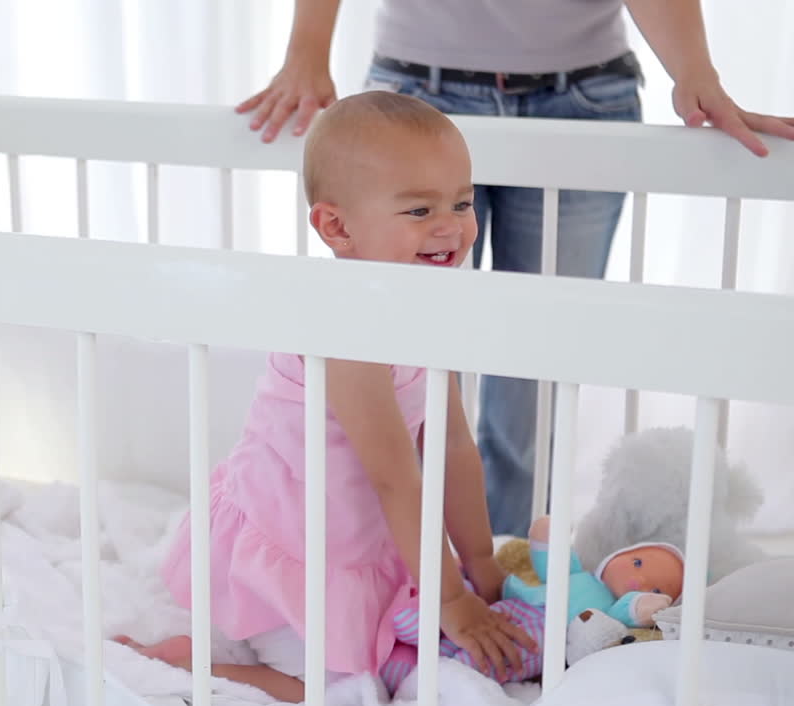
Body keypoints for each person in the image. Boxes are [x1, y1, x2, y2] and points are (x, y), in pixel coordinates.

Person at [236, 0, 794, 539]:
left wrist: (695, 71)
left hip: (582, 94)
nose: (451, 219)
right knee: (407, 351)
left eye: (459, 205)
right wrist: (306, 50)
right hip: (415, 88)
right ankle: (418, 565)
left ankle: (498, 560)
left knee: (533, 375)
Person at [115, 91, 542, 702]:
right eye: (420, 210)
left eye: (462, 202)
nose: (450, 225)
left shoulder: (432, 309)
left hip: (359, 531)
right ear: (337, 227)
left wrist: (483, 572)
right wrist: (449, 599)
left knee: (392, 643)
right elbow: (399, 478)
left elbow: (451, 447)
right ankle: (184, 662)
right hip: (294, 538)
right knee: (332, 686)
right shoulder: (345, 330)